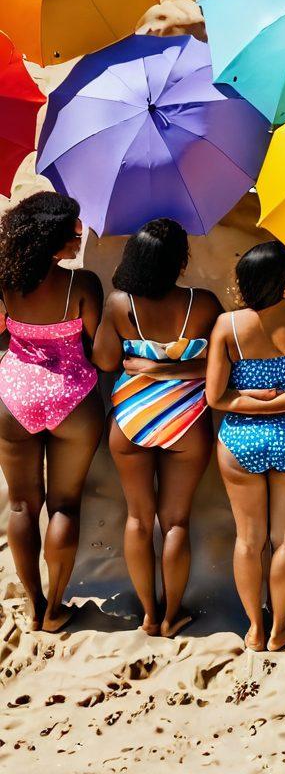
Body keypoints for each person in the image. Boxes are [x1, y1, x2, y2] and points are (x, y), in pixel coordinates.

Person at [93, 219, 222, 638]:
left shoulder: (120, 304)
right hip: (186, 420)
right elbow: (223, 366)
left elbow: (105, 361)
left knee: (137, 518)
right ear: (180, 261)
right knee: (176, 522)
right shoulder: (202, 304)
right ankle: (171, 616)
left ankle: (148, 615)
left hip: (131, 417)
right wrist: (176, 370)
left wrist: (150, 367)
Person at [206, 240, 285, 652]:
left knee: (248, 540)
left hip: (240, 438)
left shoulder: (227, 325)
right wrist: (279, 404)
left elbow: (215, 397)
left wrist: (254, 402)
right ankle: (279, 628)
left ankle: (255, 630)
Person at [0, 192, 103, 632]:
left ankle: (33, 603)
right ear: (51, 240)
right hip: (73, 399)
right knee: (64, 506)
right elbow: (97, 344)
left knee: (21, 505)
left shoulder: (5, 280)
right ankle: (55, 609)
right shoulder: (83, 285)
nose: (80, 241)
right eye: (74, 234)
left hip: (15, 396)